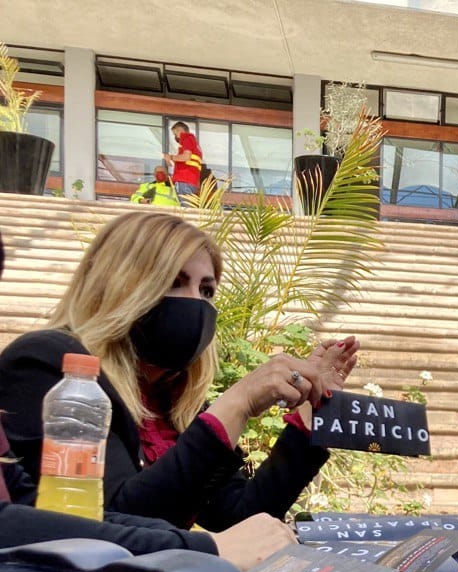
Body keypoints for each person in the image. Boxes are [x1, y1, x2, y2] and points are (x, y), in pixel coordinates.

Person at [0, 211, 360, 533]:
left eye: (206, 290)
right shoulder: (49, 364)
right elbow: (116, 523)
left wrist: (313, 414)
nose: (195, 303)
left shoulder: (169, 402)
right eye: (174, 281)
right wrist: (238, 403)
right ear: (118, 284)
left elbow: (240, 515)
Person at [165, 121, 202, 196]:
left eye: (175, 134)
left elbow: (186, 157)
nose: (176, 137)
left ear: (180, 130)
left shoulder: (186, 138)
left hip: (184, 179)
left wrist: (171, 157)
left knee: (184, 206)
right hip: (190, 180)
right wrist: (170, 160)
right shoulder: (194, 143)